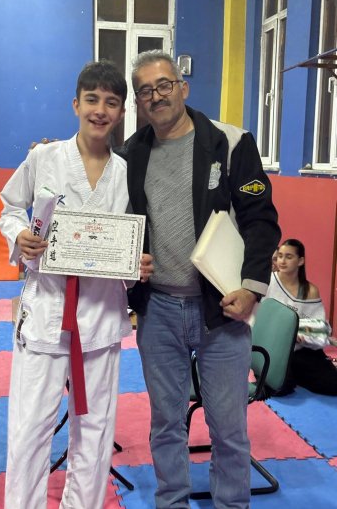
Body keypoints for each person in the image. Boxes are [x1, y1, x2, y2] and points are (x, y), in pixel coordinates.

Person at [123, 50, 281, 509]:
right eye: (145, 91)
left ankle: (232, 504)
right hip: (158, 310)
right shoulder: (129, 154)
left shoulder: (231, 142)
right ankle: (171, 502)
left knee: (228, 428)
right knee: (165, 423)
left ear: (183, 87)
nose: (157, 96)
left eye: (164, 85)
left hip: (222, 309)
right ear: (138, 101)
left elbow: (261, 220)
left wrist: (251, 289)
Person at [0, 60, 153, 509]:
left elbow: (132, 241)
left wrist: (137, 264)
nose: (100, 110)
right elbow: (10, 208)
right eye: (92, 100)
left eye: (111, 102)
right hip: (47, 312)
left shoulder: (127, 173)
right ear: (76, 104)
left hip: (101, 316)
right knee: (30, 429)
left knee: (96, 430)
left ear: (121, 112)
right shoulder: (43, 159)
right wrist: (19, 235)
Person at [265, 239, 337, 396]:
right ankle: (292, 375)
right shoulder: (268, 282)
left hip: (302, 350)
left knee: (334, 385)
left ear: (300, 261)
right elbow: (260, 320)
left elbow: (319, 328)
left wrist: (301, 334)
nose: (282, 261)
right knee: (280, 388)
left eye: (289, 257)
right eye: (280, 256)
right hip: (274, 350)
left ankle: (299, 374)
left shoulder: (310, 290)